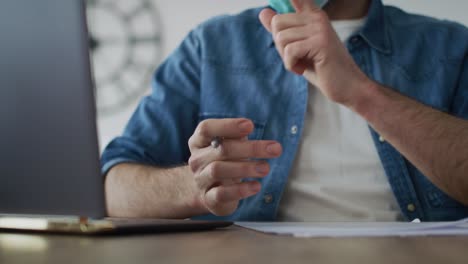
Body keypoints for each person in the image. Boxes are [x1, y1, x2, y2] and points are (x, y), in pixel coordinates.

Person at [101, 0, 468, 222]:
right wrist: (194, 184)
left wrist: (362, 93)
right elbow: (110, 190)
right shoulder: (209, 46)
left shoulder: (450, 46)